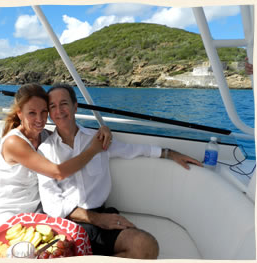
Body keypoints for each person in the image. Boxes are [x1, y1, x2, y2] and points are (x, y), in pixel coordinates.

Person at [36, 83, 203, 259]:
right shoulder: (45, 150)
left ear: (75, 106)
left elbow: (132, 149)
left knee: (146, 246)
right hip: (68, 224)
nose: (59, 111)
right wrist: (97, 219)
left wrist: (169, 153)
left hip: (101, 215)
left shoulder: (99, 139)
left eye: (64, 103)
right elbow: (51, 204)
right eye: (53, 106)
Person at [0, 83, 112, 240]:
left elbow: (67, 133)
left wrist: (103, 130)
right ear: (20, 113)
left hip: (36, 208)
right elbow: (58, 172)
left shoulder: (44, 136)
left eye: (44, 112)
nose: (40, 119)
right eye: (32, 113)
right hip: (9, 207)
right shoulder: (14, 142)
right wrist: (94, 149)